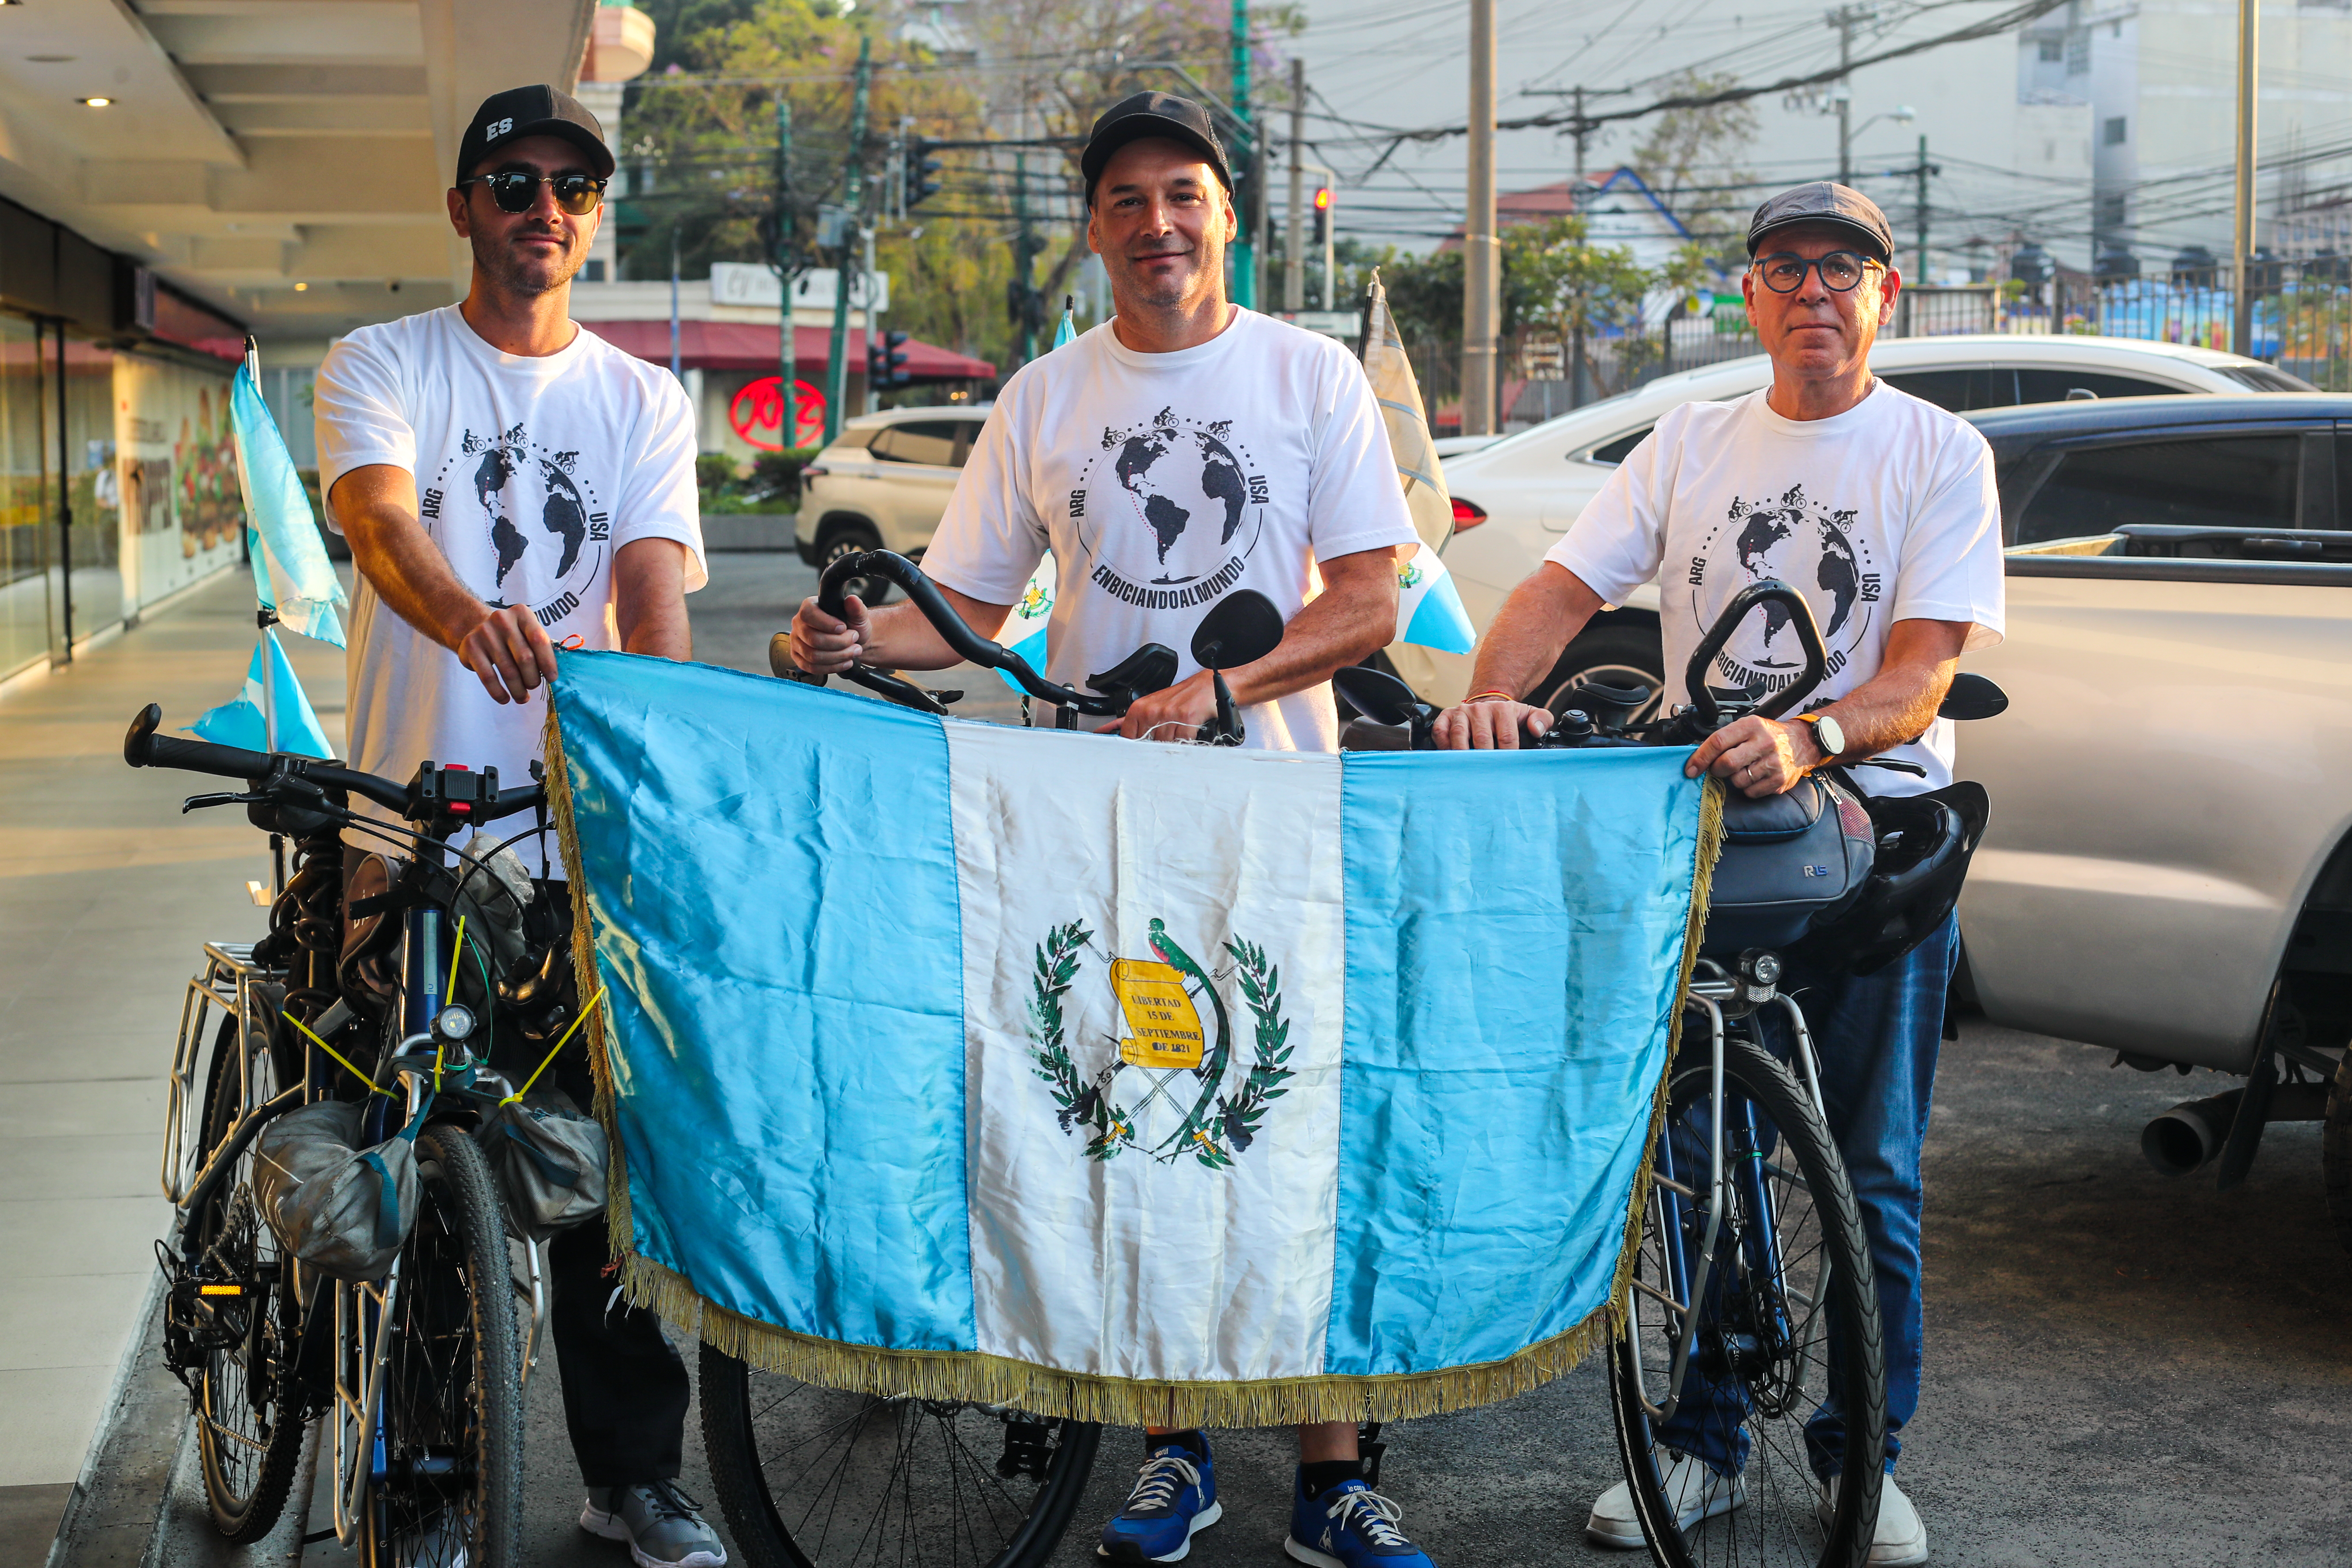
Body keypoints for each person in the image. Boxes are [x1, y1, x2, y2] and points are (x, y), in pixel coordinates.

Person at [790, 91, 1436, 1568]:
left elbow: (1367, 603)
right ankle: (1175, 1454)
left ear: (1229, 215)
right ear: (1094, 228)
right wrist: (834, 645)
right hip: (1100, 826)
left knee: (1288, 1126)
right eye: (1128, 200)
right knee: (1139, 1123)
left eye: (1185, 195)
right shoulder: (1043, 398)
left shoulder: (1309, 378)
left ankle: (1333, 1477)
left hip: (1274, 812)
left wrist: (1223, 684)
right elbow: (959, 615)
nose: (1158, 224)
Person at [1433, 183, 2005, 1568]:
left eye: (1844, 268)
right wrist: (1486, 701)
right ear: (1749, 294)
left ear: (1888, 290)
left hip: (1870, 844)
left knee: (1868, 1169)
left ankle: (1863, 1459)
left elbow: (1925, 672)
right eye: (1786, 266)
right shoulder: (1689, 443)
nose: (1815, 289)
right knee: (1690, 1159)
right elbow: (1562, 591)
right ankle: (1699, 1449)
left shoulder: (1939, 452)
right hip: (1706, 845)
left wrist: (1811, 734)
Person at [312, 84, 724, 1568]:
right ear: (465, 207)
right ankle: (424, 1466)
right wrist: (465, 618)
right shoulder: (384, 361)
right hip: (405, 836)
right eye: (512, 180)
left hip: (568, 845)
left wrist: (657, 769)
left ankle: (632, 1477)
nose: (542, 204)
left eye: (570, 185)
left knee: (608, 1162)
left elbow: (654, 602)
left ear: (592, 215)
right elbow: (377, 519)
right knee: (416, 1147)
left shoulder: (638, 399)